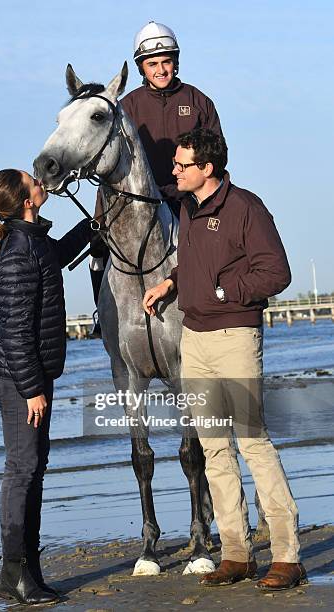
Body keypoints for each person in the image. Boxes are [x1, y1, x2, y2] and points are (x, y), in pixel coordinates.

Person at [142, 128, 307, 591]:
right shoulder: (187, 207)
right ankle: (236, 552)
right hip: (194, 339)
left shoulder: (245, 208)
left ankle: (287, 555)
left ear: (206, 169)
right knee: (214, 447)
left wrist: (222, 292)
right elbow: (197, 259)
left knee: (253, 442)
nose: (173, 172)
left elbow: (277, 271)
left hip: (235, 336)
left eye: (181, 165)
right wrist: (172, 282)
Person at [0, 169, 94, 605]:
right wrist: (32, 389)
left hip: (31, 373)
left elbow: (56, 255)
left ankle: (29, 570)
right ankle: (14, 575)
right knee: (22, 470)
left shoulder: (31, 239)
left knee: (33, 468)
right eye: (34, 182)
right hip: (18, 377)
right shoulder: (17, 250)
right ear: (26, 199)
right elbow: (13, 332)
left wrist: (91, 225)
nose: (41, 182)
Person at [90, 21, 223, 335]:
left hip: (187, 199)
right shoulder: (126, 107)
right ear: (141, 67)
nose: (161, 69)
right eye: (153, 64)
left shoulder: (200, 102)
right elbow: (110, 162)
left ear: (176, 62)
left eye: (166, 61)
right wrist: (100, 217)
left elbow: (216, 157)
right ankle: (102, 313)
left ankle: (215, 304)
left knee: (214, 245)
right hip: (137, 205)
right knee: (97, 249)